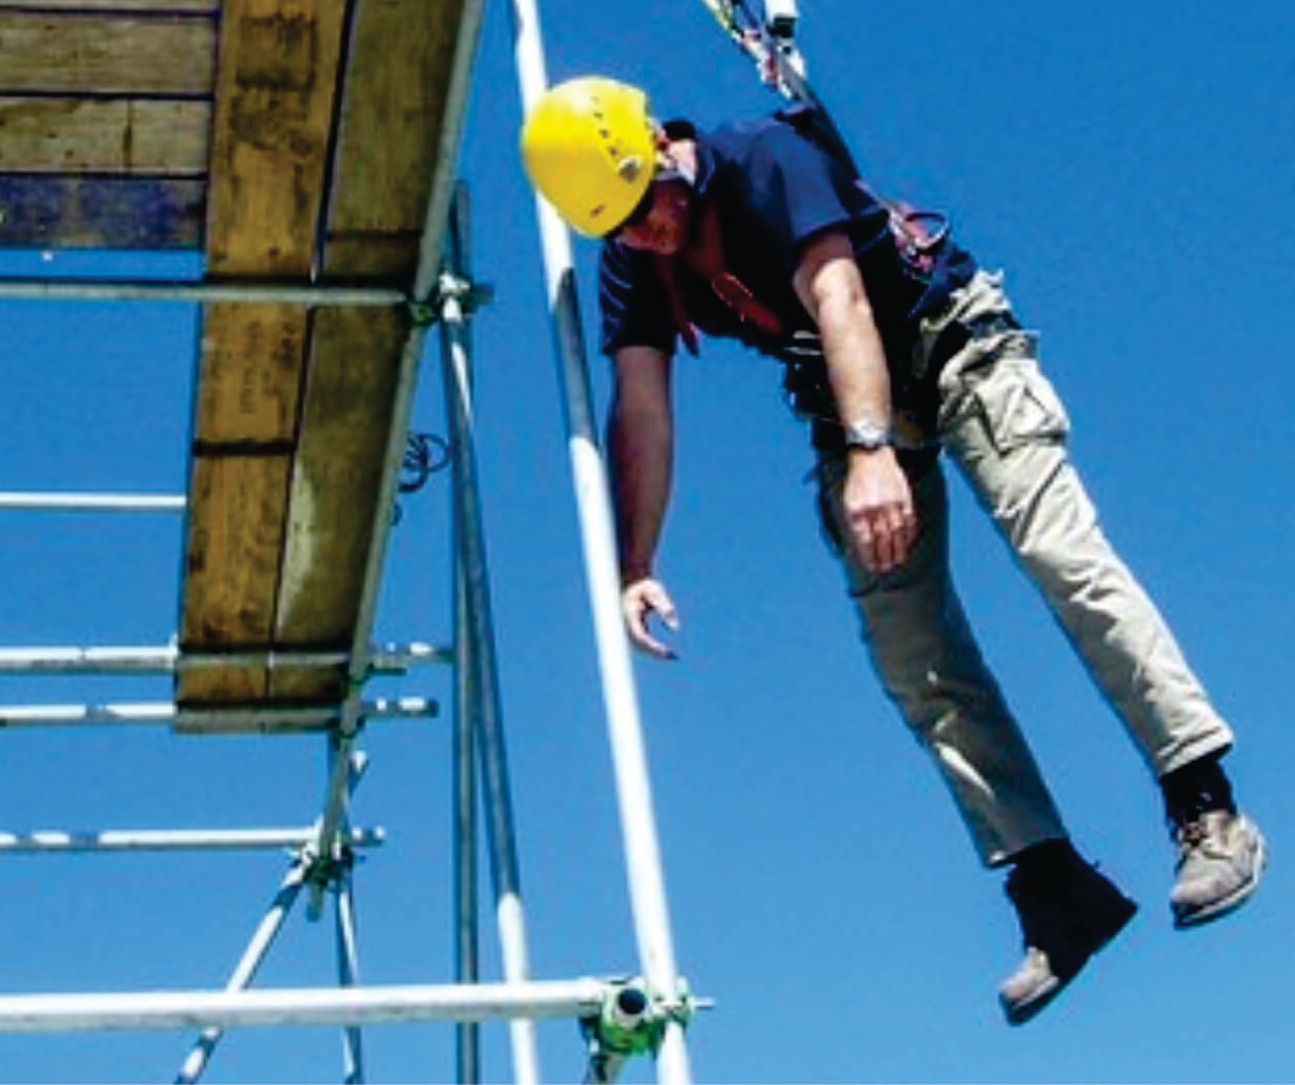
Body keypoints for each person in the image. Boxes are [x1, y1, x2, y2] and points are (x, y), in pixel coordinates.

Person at [519, 76, 1267, 1025]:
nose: (641, 235)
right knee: (911, 655)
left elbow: (838, 299)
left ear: (662, 151)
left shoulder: (763, 161)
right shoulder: (631, 255)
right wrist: (637, 562)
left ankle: (1206, 806)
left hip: (949, 345)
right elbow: (641, 405)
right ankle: (1052, 888)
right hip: (844, 401)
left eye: (645, 209)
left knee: (1058, 557)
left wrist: (875, 452)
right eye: (616, 228)